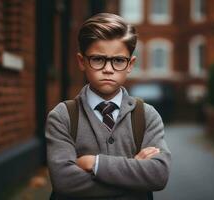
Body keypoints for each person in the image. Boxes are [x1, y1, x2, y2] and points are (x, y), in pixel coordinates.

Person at [45, 13, 171, 200]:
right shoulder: (63, 116)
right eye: (98, 59)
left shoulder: (146, 115)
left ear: (130, 64)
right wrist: (135, 178)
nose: (108, 69)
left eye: (118, 60)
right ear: (82, 62)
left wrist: (95, 163)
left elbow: (158, 175)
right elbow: (64, 181)